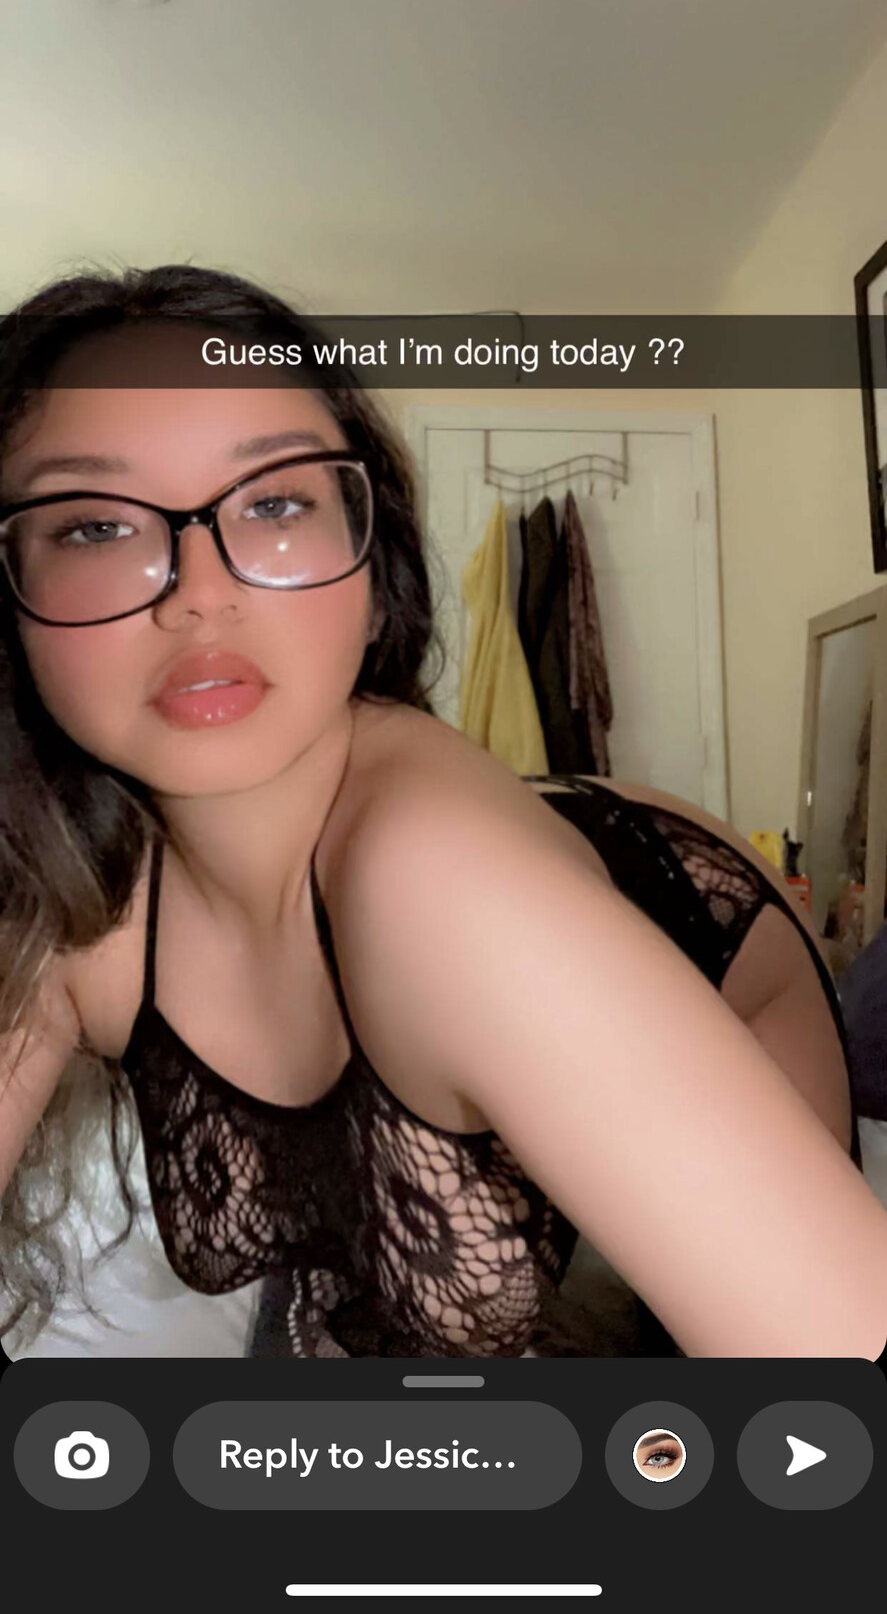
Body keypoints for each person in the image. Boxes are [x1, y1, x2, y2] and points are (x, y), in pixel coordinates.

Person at [0, 264, 885, 1363]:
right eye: (94, 526)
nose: (199, 593)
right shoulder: (71, 886)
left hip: (710, 939)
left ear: (376, 572)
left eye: (274, 503)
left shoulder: (445, 888)